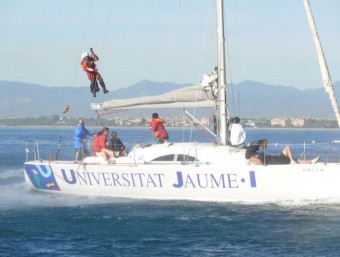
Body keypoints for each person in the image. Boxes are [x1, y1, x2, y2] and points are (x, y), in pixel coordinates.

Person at [245, 139, 320, 165]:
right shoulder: (261, 157)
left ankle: (310, 161)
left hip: (278, 158)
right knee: (294, 158)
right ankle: (292, 161)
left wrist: (252, 159)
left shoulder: (260, 155)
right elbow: (261, 163)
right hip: (279, 159)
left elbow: (259, 161)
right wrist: (251, 160)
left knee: (295, 159)